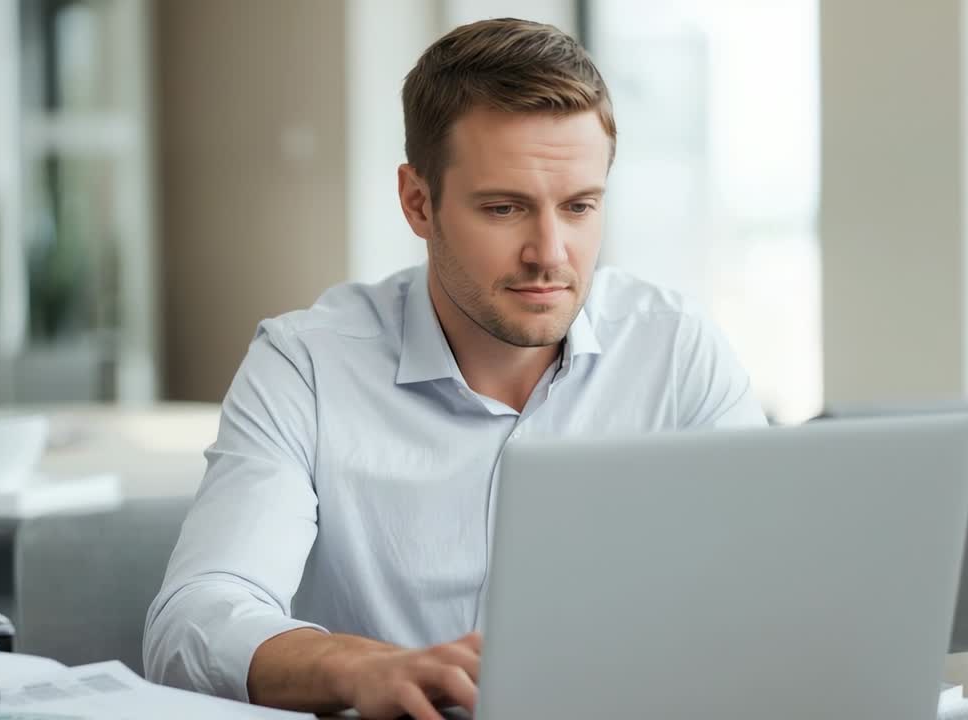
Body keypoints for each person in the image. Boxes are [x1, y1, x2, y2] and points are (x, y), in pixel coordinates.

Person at [144, 17, 765, 720]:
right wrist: (363, 668)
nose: (551, 253)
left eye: (581, 207)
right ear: (418, 201)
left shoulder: (676, 351)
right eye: (505, 208)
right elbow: (192, 622)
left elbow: (778, 586)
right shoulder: (307, 365)